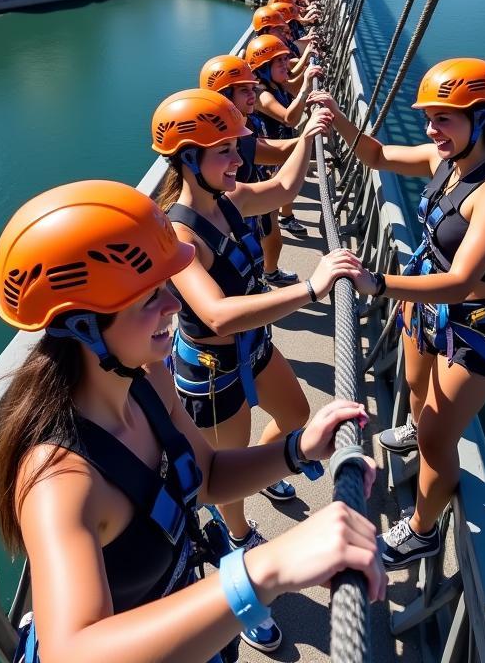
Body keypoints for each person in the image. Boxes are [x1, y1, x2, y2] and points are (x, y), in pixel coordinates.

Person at [0, 180, 385, 663]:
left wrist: (297, 449)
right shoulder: (58, 477)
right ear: (84, 326)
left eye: (165, 288)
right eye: (149, 298)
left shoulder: (147, 377)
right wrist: (266, 569)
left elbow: (208, 474)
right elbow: (72, 651)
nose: (174, 306)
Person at [307, 58, 485, 569]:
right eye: (430, 118)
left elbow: (460, 283)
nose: (432, 130)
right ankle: (418, 428)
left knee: (436, 438)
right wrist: (338, 116)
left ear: (480, 119)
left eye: (444, 119)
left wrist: (379, 282)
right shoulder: (445, 162)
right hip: (428, 309)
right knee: (415, 390)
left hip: (477, 327)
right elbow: (379, 154)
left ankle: (422, 530)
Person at [152, 90, 363, 585]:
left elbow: (285, 189)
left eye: (233, 147)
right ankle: (240, 538)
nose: (236, 159)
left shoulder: (232, 200)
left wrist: (308, 138)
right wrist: (312, 288)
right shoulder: (179, 237)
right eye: (223, 150)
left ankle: (265, 471)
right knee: (224, 473)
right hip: (212, 371)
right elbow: (218, 314)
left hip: (256, 347)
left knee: (295, 415)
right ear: (189, 159)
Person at [198, 54, 299, 288]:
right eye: (243, 90)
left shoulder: (242, 127)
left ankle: (266, 276)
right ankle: (265, 276)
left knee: (265, 243)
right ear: (224, 97)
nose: (253, 94)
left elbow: (270, 150)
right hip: (239, 215)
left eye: (253, 87)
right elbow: (276, 151)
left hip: (248, 206)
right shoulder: (223, 138)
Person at [244, 35, 323, 237]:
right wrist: (306, 87)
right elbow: (289, 118)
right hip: (270, 149)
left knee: (288, 181)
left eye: (284, 59)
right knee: (283, 183)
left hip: (279, 142)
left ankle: (285, 216)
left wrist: (307, 72)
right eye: (278, 61)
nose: (285, 64)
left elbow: (294, 87)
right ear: (263, 68)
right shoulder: (262, 94)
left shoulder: (278, 84)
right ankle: (284, 217)